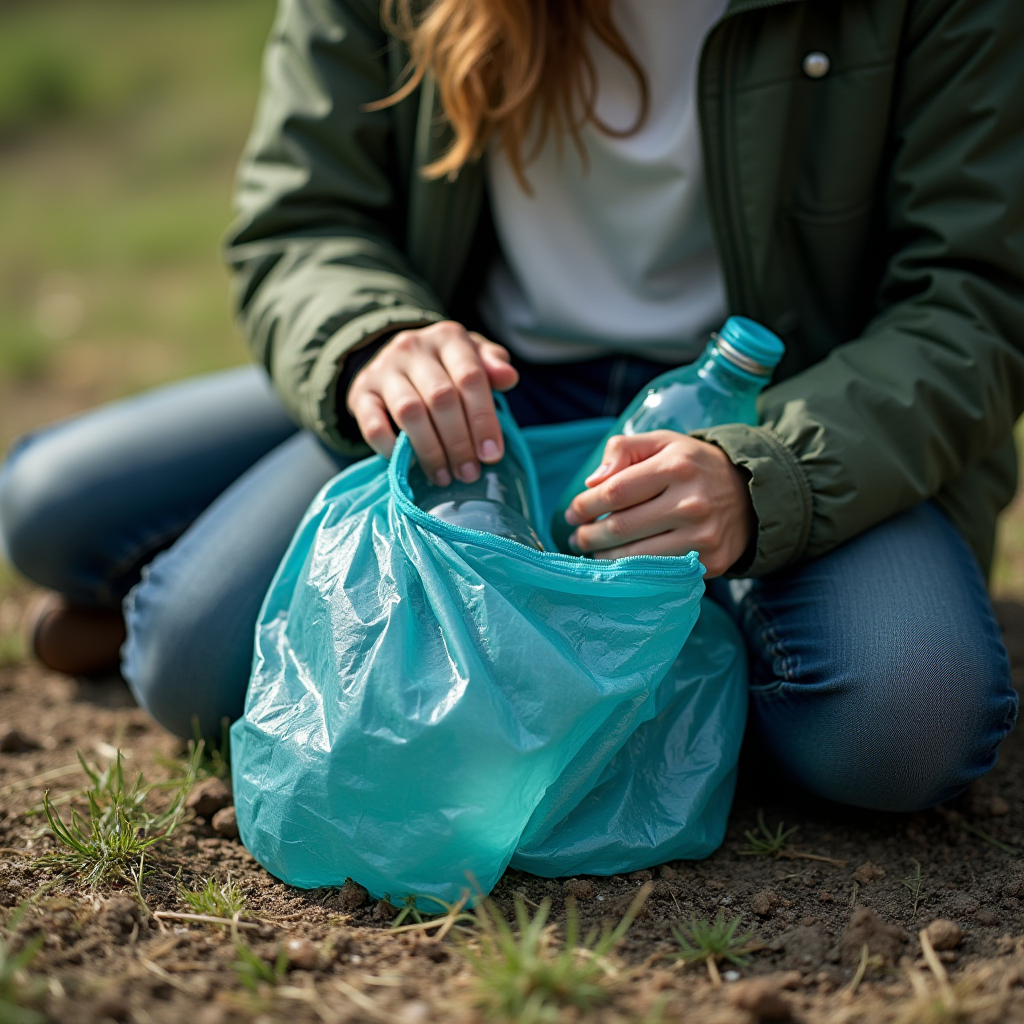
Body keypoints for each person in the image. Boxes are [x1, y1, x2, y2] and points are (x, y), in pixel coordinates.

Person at [1, 0, 1021, 813]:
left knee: (904, 725)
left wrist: (771, 476)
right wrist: (371, 339)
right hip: (483, 392)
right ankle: (614, 641)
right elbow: (302, 218)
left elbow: (978, 297)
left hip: (778, 408)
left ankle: (581, 647)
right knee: (120, 590)